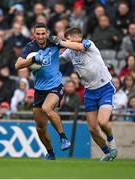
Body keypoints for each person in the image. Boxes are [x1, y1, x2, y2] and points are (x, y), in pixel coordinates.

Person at [49, 27, 118, 161]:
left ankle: (111, 141)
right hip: (89, 91)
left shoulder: (88, 44)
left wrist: (59, 42)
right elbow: (60, 59)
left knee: (102, 122)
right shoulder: (70, 52)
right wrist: (42, 59)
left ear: (76, 37)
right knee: (92, 128)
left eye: (67, 39)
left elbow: (80, 47)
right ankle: (107, 153)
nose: (65, 41)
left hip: (105, 88)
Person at [15, 23, 71, 160]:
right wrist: (32, 59)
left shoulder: (53, 42)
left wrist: (78, 42)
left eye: (43, 33)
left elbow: (72, 45)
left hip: (55, 86)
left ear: (47, 33)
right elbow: (17, 65)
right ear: (34, 34)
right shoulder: (30, 47)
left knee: (47, 108)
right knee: (40, 127)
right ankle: (50, 153)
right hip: (39, 90)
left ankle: (64, 138)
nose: (41, 36)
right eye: (38, 34)